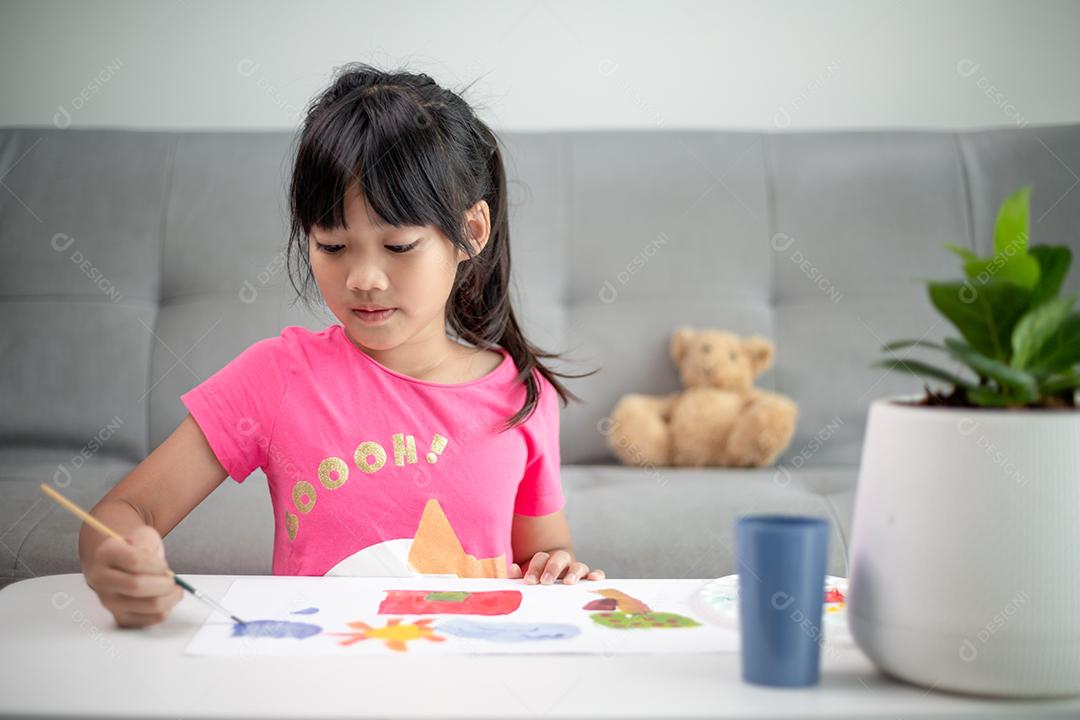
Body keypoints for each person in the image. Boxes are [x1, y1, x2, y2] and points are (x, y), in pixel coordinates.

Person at [79, 63, 605, 628]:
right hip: (319, 667)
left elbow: (544, 559)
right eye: (332, 246)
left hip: (466, 667)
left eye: (398, 246)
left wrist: (560, 570)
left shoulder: (522, 395)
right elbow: (126, 509)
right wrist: (117, 559)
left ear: (471, 232)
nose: (363, 278)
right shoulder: (277, 376)